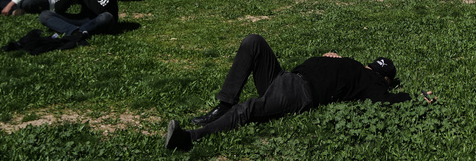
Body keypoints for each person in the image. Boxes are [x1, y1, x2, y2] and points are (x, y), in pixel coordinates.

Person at [164, 34, 413, 151]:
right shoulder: (356, 66)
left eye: (376, 69)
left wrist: (414, 97)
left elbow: (385, 100)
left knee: (250, 108)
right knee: (254, 42)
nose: (371, 68)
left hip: (300, 91)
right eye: (371, 65)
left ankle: (188, 138)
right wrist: (333, 60)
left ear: (384, 78)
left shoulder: (373, 82)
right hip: (284, 77)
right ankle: (224, 105)